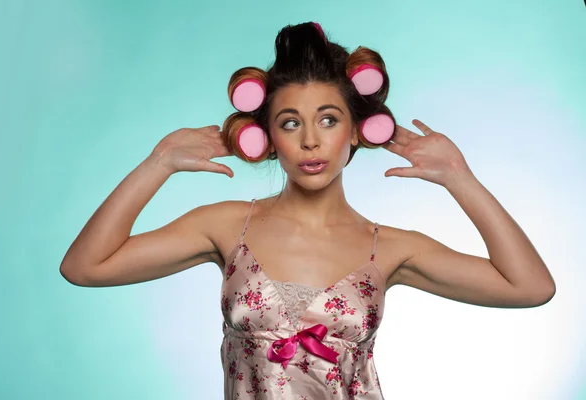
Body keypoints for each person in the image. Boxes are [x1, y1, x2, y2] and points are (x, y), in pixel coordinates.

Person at [60, 21, 556, 399]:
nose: (312, 140)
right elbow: (84, 267)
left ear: (358, 130)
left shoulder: (392, 247)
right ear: (268, 138)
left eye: (328, 118)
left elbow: (531, 287)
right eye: (290, 123)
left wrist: (458, 178)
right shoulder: (228, 225)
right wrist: (160, 162)